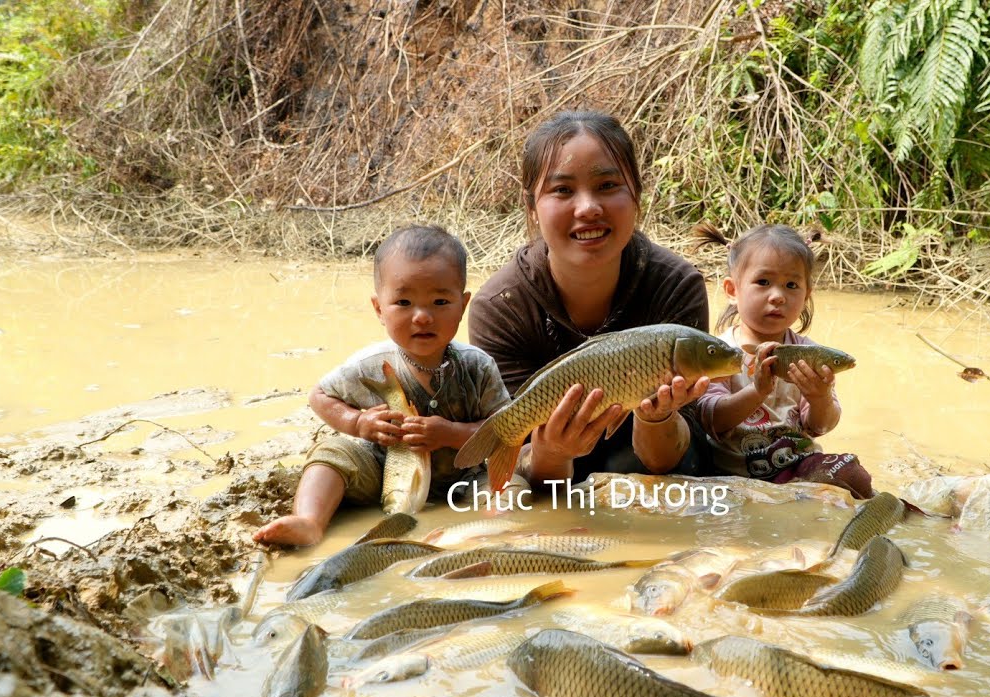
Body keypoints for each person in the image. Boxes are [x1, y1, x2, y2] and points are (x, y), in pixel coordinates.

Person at [468, 110, 710, 487]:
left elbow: (678, 460)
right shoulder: (500, 307)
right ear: (532, 208)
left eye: (608, 185)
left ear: (637, 197)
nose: (588, 208)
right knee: (506, 497)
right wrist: (552, 452)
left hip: (648, 463)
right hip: (550, 471)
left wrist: (655, 416)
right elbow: (531, 471)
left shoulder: (676, 285)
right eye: (562, 190)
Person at [254, 225, 509, 546]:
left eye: (440, 302)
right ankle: (309, 520)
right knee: (332, 452)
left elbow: (505, 431)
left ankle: (496, 531)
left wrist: (449, 433)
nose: (422, 317)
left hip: (465, 479)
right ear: (379, 309)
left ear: (463, 304)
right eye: (403, 302)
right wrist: (358, 423)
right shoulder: (370, 364)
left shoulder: (478, 366)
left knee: (513, 479)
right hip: (383, 472)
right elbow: (319, 396)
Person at [692, 222, 874, 499]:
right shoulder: (718, 351)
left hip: (797, 468)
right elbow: (710, 420)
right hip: (730, 474)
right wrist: (758, 391)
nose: (778, 296)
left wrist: (820, 397)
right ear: (732, 290)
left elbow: (820, 427)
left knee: (853, 475)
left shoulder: (811, 353)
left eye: (791, 285)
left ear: (806, 296)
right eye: (763, 282)